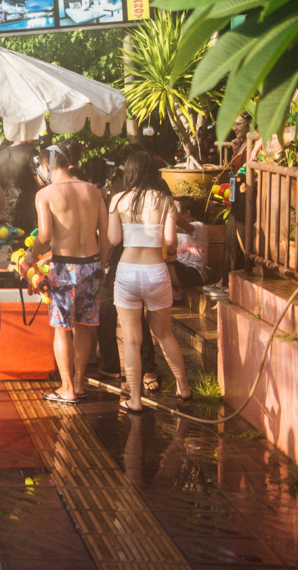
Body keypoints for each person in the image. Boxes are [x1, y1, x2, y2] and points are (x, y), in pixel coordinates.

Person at [24, 140, 110, 405]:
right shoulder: (93, 191)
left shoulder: (46, 194)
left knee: (62, 329)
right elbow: (106, 236)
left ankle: (67, 388)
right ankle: (80, 384)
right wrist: (103, 266)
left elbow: (46, 235)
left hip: (64, 267)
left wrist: (31, 256)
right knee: (84, 326)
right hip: (92, 265)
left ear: (46, 166)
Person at [108, 152, 192, 413]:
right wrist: (171, 252)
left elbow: (112, 240)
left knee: (132, 340)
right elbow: (169, 242)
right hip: (156, 271)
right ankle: (183, 387)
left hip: (128, 273)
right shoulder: (165, 200)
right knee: (164, 333)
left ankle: (135, 400)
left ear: (129, 173)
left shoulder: (118, 200)